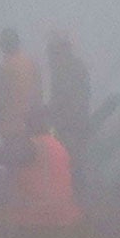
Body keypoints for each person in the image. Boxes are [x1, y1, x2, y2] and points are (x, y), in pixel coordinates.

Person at [0, 107, 81, 228]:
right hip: (64, 215)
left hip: (38, 216)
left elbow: (5, 157)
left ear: (30, 124)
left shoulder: (32, 147)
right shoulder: (57, 145)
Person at [0, 28, 44, 149]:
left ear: (3, 45)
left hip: (11, 127)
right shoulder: (30, 64)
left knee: (13, 163)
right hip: (30, 124)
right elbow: (38, 94)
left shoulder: (4, 68)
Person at [48, 31, 93, 168]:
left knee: (72, 160)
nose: (50, 57)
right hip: (72, 122)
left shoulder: (65, 69)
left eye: (53, 52)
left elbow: (65, 97)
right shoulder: (68, 67)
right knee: (73, 159)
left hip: (71, 123)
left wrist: (58, 117)